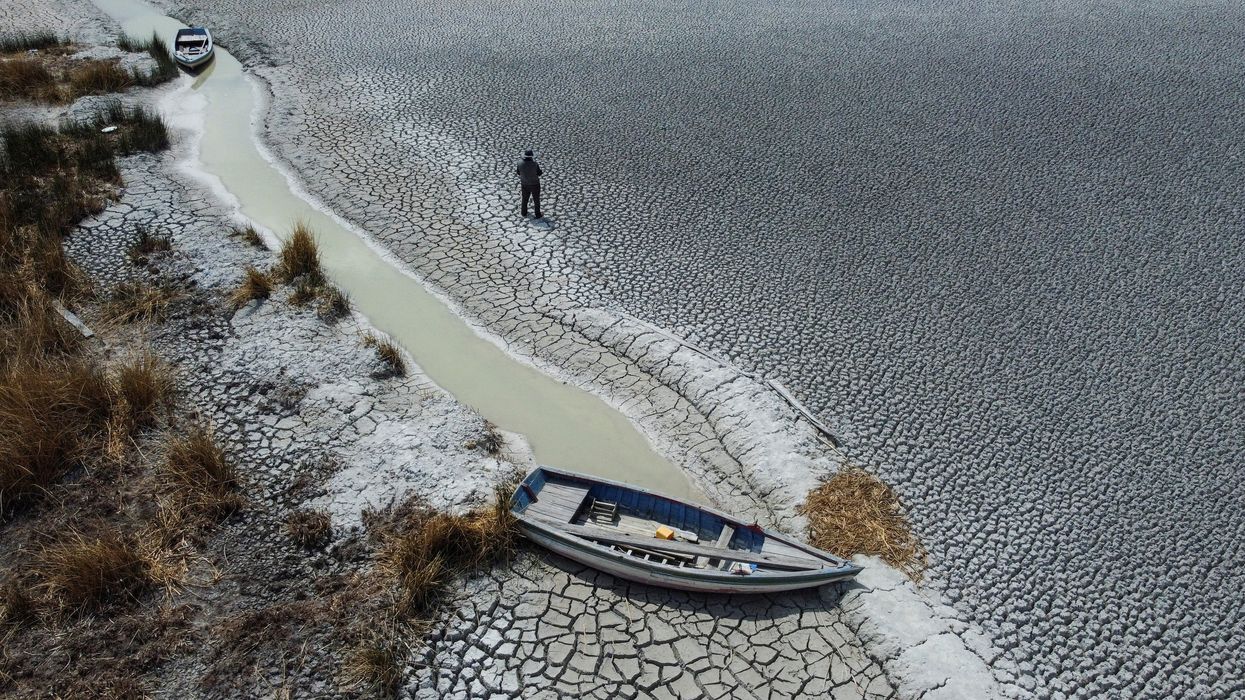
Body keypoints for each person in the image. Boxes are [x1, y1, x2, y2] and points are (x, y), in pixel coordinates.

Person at [516, 149, 542, 219]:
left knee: (524, 198)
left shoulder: (519, 163)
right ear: (531, 156)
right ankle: (538, 214)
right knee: (536, 200)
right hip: (535, 184)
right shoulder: (534, 164)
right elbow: (539, 173)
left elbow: (518, 172)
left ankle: (523, 212)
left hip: (524, 184)